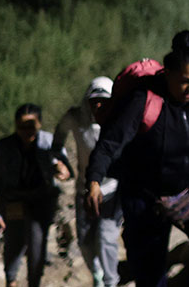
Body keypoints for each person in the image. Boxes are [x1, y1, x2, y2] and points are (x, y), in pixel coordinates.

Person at [85, 31, 189, 287]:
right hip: (145, 199)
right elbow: (109, 144)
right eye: (185, 81)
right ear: (168, 74)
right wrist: (94, 180)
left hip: (188, 191)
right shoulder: (143, 102)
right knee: (151, 275)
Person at [0, 103, 71, 287]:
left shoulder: (49, 142)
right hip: (14, 200)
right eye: (21, 126)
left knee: (37, 246)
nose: (26, 131)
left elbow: (65, 168)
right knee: (13, 243)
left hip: (41, 202)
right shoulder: (4, 147)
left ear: (39, 124)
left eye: (30, 126)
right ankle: (11, 281)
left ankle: (34, 282)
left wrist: (62, 170)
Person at [53, 77, 122, 287]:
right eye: (94, 101)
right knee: (84, 240)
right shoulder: (76, 118)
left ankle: (111, 281)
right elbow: (57, 141)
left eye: (104, 101)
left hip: (113, 189)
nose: (98, 106)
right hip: (84, 189)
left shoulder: (122, 120)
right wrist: (59, 162)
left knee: (105, 236)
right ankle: (97, 275)